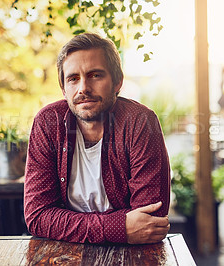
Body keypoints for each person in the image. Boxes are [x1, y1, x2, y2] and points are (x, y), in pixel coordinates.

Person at [24, 33, 171, 244]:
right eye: (73, 78)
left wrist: (64, 224)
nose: (83, 88)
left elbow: (150, 223)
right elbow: (38, 217)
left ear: (117, 82)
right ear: (64, 89)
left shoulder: (140, 122)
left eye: (95, 75)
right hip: (63, 256)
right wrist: (120, 227)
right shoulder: (47, 123)